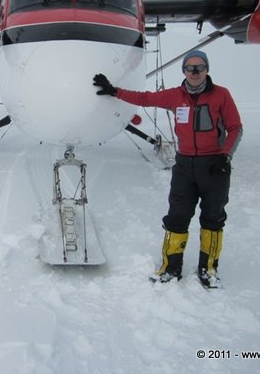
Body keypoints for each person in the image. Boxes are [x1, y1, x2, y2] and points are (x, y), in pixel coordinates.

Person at [93, 50, 242, 288]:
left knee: (213, 218)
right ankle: (171, 267)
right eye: (190, 68)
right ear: (183, 71)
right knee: (177, 217)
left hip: (214, 166)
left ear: (207, 70)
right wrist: (114, 91)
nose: (195, 72)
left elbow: (235, 128)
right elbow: (145, 98)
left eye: (199, 67)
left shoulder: (221, 95)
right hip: (184, 166)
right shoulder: (175, 96)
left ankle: (209, 269)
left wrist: (225, 156)